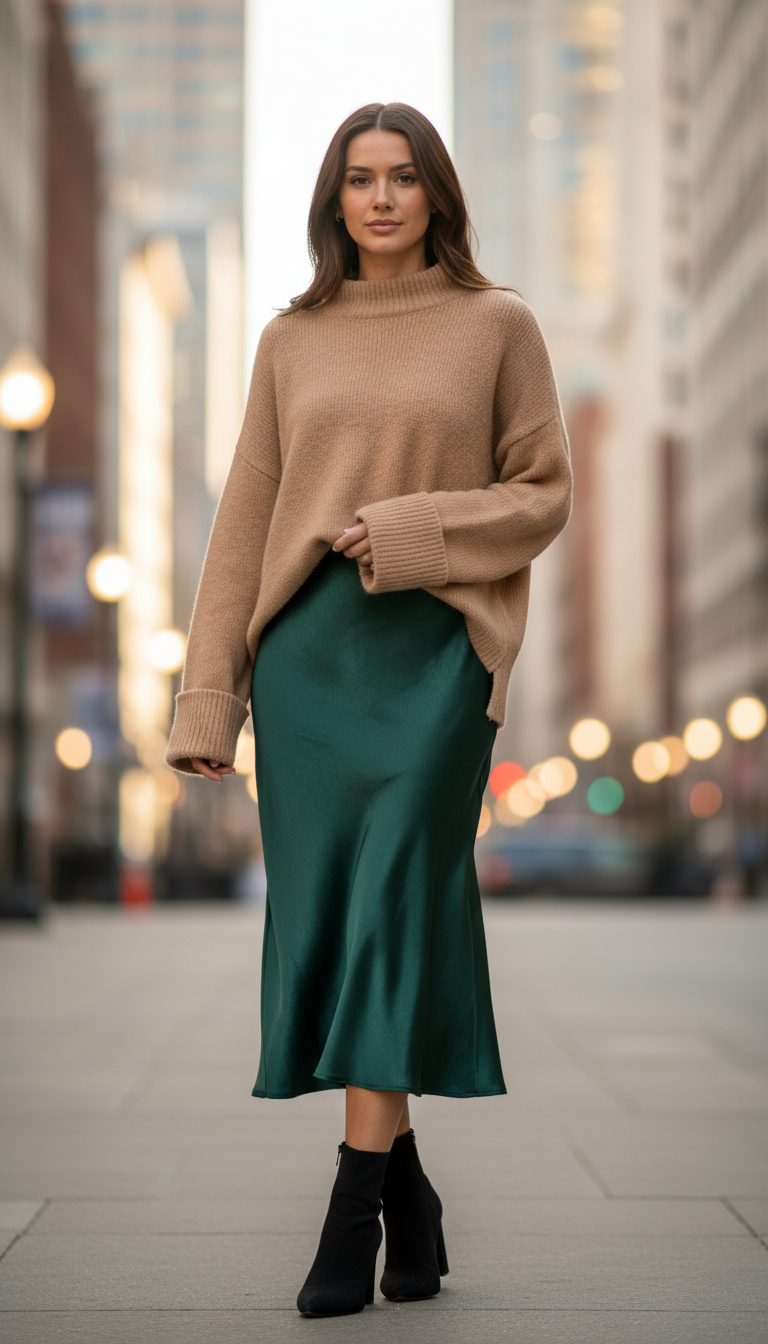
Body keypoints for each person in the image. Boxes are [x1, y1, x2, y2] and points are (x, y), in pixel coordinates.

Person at [166, 101, 572, 1318]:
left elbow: (542, 494)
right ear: (334, 199)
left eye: (403, 178)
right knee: (342, 921)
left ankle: (353, 1199)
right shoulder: (292, 340)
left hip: (439, 653)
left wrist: (414, 530)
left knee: (399, 891)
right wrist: (209, 697)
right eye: (360, 179)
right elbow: (246, 522)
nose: (383, 199)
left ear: (437, 193)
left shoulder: (499, 325)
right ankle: (413, 1202)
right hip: (310, 668)